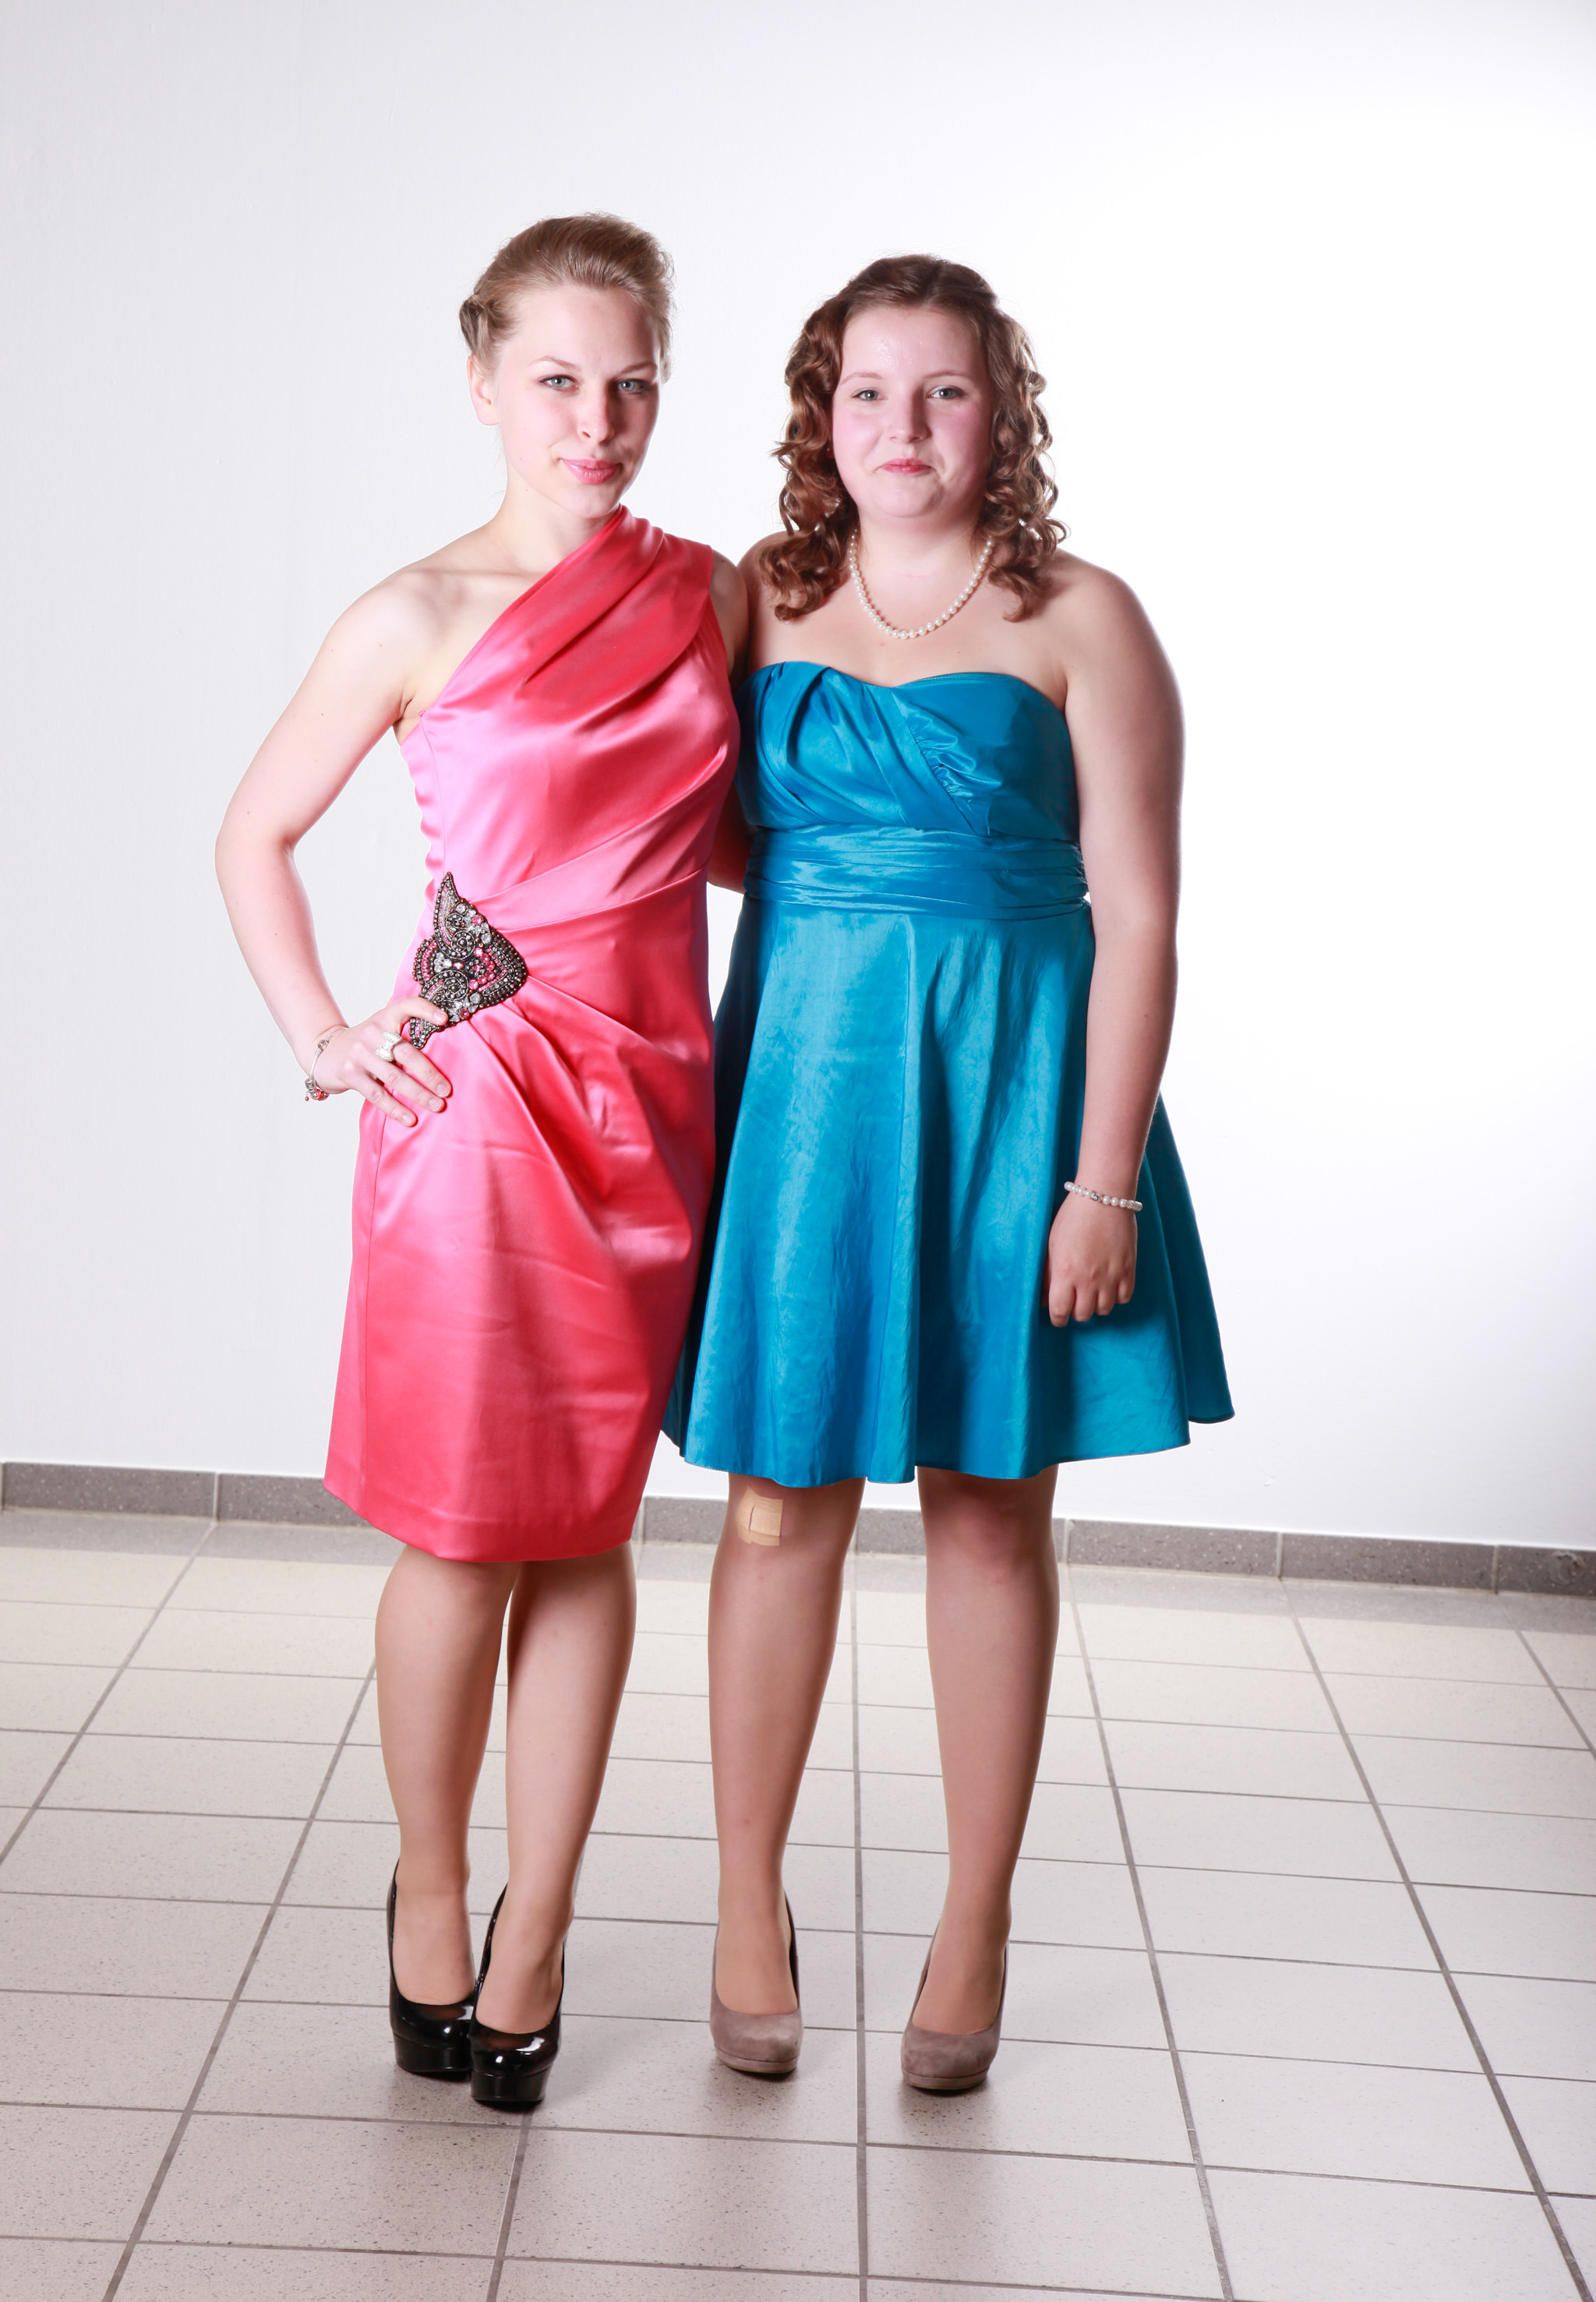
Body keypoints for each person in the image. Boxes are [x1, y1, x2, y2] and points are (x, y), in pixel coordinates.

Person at [668, 254, 1231, 2092]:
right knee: (775, 1506)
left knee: (989, 1514)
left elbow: (1140, 917)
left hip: (1012, 1105)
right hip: (805, 1104)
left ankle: (972, 1922)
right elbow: (696, 832)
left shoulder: (1081, 615)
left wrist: (1102, 1181)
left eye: (944, 392)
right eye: (867, 392)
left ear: (1003, 411)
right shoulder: (757, 598)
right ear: (819, 414)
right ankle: (744, 1906)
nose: (902, 427)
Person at [217, 214, 744, 2109]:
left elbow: (729, 836)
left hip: (652, 1107)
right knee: (460, 1530)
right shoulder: (413, 614)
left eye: (630, 384)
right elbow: (252, 835)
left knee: (588, 1526)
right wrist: (325, 1036)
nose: (595, 420)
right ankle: (431, 1888)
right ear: (481, 384)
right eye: (556, 381)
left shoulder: (710, 595)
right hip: (477, 1112)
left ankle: (541, 1928)